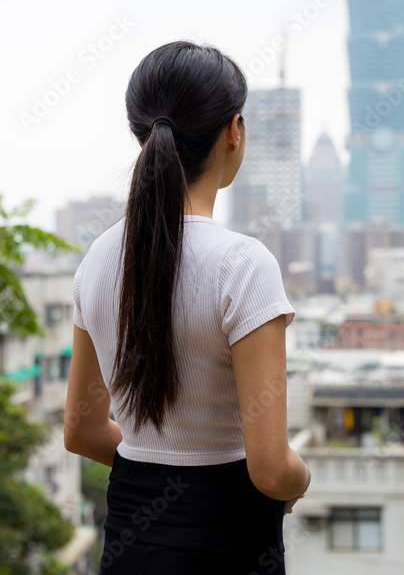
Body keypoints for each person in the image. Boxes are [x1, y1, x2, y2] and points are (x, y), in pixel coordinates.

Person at [63, 40, 311, 573]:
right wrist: (302, 478)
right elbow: (271, 470)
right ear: (234, 131)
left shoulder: (97, 260)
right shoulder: (244, 265)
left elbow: (81, 431)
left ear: (142, 135)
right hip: (229, 545)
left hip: (129, 539)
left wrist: (158, 474)